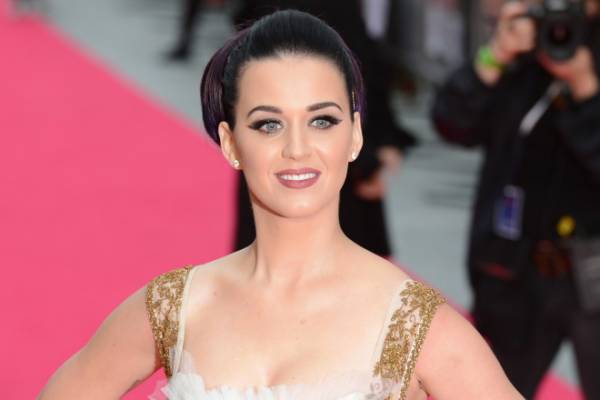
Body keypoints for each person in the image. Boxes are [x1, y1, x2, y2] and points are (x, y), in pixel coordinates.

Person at [39, 10, 522, 400]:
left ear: (355, 134)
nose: (297, 148)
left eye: (322, 121)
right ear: (231, 143)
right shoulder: (176, 308)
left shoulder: (415, 324)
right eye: (268, 124)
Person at [432, 0, 600, 398]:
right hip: (515, 272)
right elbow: (451, 123)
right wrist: (496, 54)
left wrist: (585, 89)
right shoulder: (523, 49)